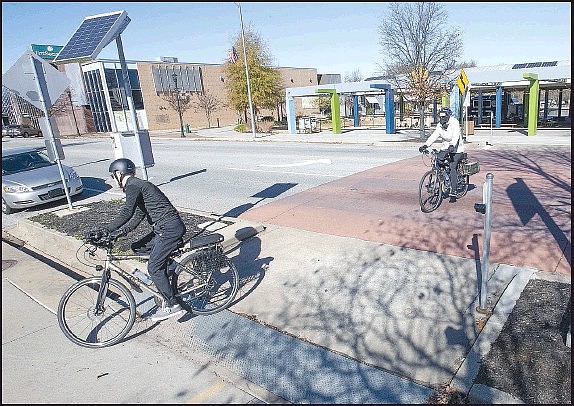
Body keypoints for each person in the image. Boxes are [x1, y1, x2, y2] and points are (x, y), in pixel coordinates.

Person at [94, 158, 187, 322]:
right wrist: (118, 233)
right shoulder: (137, 186)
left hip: (169, 229)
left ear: (118, 173)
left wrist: (106, 230)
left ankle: (173, 305)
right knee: (137, 247)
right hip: (163, 228)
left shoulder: (133, 185)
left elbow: (126, 212)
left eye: (112, 175)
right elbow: (138, 215)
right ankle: (169, 269)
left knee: (153, 268)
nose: (112, 179)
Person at [419, 107, 465, 198]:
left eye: (444, 116)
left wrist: (452, 145)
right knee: (438, 160)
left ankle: (454, 189)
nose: (442, 119)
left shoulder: (454, 122)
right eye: (441, 117)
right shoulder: (440, 125)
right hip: (445, 147)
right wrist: (426, 145)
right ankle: (443, 179)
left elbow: (456, 136)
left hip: (456, 149)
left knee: (452, 166)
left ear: (448, 116)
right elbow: (435, 135)